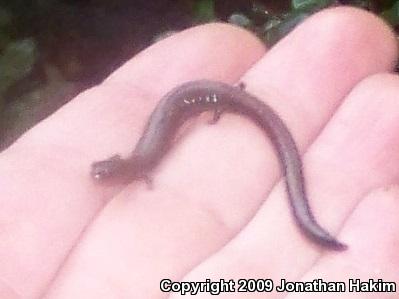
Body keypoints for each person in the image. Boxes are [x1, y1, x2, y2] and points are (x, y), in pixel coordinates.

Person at [0, 6, 398, 299]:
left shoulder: (139, 164)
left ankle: (307, 218)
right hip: (202, 98)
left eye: (104, 173)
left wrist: (218, 105)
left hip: (208, 96)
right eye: (104, 174)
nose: (100, 177)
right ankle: (309, 223)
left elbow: (143, 165)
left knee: (249, 117)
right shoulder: (138, 164)